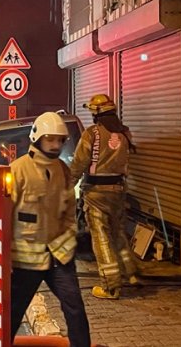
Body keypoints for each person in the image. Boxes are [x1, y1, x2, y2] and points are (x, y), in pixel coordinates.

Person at [9, 112, 90, 347]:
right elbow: (6, 214)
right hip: (25, 261)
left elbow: (68, 212)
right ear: (37, 138)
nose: (55, 145)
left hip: (59, 257)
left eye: (59, 140)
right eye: (50, 139)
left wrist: (69, 242)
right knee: (13, 313)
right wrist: (5, 258)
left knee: (75, 309)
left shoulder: (62, 171)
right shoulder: (18, 170)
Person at [69, 94, 140, 299]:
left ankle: (111, 286)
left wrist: (66, 188)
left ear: (96, 114)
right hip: (118, 191)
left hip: (96, 193)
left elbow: (79, 164)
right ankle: (131, 273)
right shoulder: (125, 133)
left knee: (101, 237)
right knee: (117, 232)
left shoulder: (92, 134)